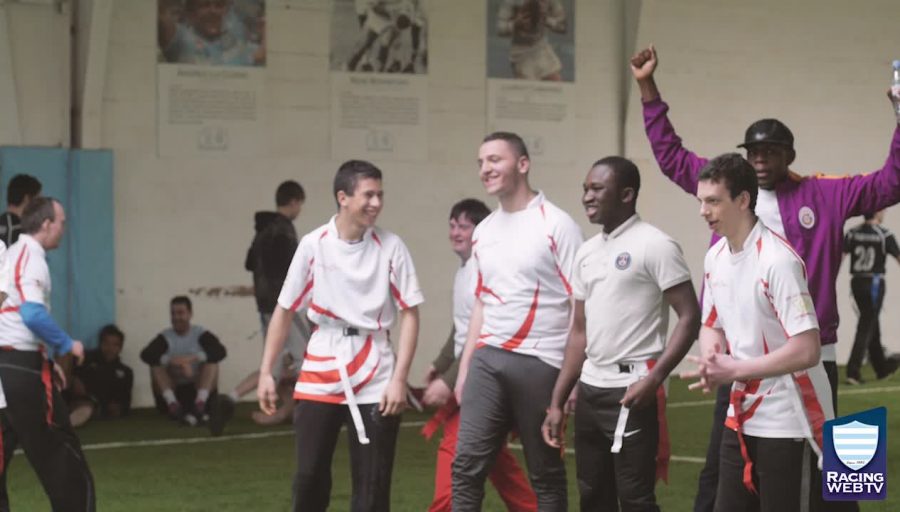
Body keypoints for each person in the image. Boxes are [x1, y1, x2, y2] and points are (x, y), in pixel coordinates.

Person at [630, 45, 900, 512]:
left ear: (788, 155)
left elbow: (889, 183)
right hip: (741, 364)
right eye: (753, 151)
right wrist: (648, 88)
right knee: (723, 472)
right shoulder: (723, 188)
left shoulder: (824, 193)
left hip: (812, 355)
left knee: (840, 477)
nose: (759, 159)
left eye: (770, 151)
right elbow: (672, 157)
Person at [257, 159, 422, 512]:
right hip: (322, 362)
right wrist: (266, 373)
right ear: (343, 197)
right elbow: (284, 310)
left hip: (375, 366)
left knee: (373, 484)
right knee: (309, 477)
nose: (376, 203)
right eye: (368, 195)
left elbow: (410, 314)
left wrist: (400, 379)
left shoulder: (392, 247)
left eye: (380, 194)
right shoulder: (313, 244)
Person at [542, 157, 701, 511]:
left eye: (597, 188)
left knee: (635, 498)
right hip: (590, 390)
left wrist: (655, 378)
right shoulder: (586, 252)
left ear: (627, 194)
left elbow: (690, 316)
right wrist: (557, 401)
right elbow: (579, 332)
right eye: (585, 188)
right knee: (592, 495)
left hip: (633, 391)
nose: (587, 196)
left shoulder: (656, 244)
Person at [683, 153, 834, 511]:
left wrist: (732, 369)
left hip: (793, 417)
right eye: (701, 201)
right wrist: (712, 357)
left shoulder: (778, 261)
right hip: (743, 412)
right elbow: (711, 324)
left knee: (839, 499)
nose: (703, 211)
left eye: (713, 201)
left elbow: (808, 350)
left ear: (743, 200)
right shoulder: (715, 257)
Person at [452, 132, 583, 511]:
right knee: (466, 467)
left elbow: (581, 305)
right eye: (480, 162)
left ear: (523, 164)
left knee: (545, 474)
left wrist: (571, 378)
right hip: (488, 360)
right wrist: (465, 369)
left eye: (495, 159)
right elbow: (481, 302)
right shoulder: (485, 231)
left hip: (541, 364)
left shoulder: (558, 225)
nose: (485, 169)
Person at [421, 198, 537, 512]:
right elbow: (461, 329)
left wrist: (448, 380)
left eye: (464, 226)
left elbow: (483, 332)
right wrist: (440, 364)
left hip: (483, 380)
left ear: (480, 231)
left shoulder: (482, 271)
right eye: (452, 224)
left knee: (456, 452)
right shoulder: (464, 271)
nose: (456, 232)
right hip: (471, 379)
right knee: (495, 460)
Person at [0, 196, 95, 511]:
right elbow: (31, 315)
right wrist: (67, 344)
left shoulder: (11, 252)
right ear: (46, 224)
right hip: (23, 368)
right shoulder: (31, 256)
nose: (64, 228)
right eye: (61, 222)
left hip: (7, 367)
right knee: (63, 457)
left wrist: (46, 358)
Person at [222, 180, 310, 426]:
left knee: (273, 363)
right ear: (293, 202)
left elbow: (249, 263)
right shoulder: (284, 230)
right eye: (299, 205)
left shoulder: (261, 231)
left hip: (264, 306)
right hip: (285, 305)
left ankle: (231, 398)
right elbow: (294, 267)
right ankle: (311, 413)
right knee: (307, 357)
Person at [140, 296, 229, 433]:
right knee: (155, 366)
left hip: (196, 385)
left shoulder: (200, 334)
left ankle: (200, 404)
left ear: (190, 314)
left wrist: (193, 359)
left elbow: (220, 351)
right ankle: (172, 405)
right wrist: (170, 360)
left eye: (180, 313)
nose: (176, 317)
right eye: (173, 313)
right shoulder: (166, 337)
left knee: (212, 364)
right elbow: (146, 354)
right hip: (175, 388)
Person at [843, 210, 900, 384]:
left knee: (871, 323)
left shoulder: (852, 233)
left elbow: (840, 257)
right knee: (866, 325)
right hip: (874, 282)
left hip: (857, 282)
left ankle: (881, 368)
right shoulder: (884, 235)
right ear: (878, 211)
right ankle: (853, 370)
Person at [158, 0, 265, 66]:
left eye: (219, 5)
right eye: (204, 5)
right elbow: (159, 18)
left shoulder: (238, 41)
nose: (213, 10)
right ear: (190, 14)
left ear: (226, 10)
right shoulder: (182, 40)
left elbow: (262, 53)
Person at [67, 324, 134, 428]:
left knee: (87, 409)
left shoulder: (125, 372)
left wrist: (117, 408)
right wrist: (74, 379)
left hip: (96, 407)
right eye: (106, 343)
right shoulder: (86, 358)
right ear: (100, 344)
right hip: (73, 399)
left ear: (120, 348)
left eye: (115, 345)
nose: (110, 348)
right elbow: (67, 362)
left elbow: (125, 402)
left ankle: (65, 425)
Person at [496, 0, 567, 81]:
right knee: (527, 89)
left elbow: (562, 26)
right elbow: (500, 29)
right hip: (521, 53)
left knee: (556, 83)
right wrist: (516, 24)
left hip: (542, 48)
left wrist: (546, 19)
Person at [0, 174, 41, 247]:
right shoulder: (20, 231)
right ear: (27, 199)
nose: (39, 206)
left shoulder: (3, 222)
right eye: (37, 200)